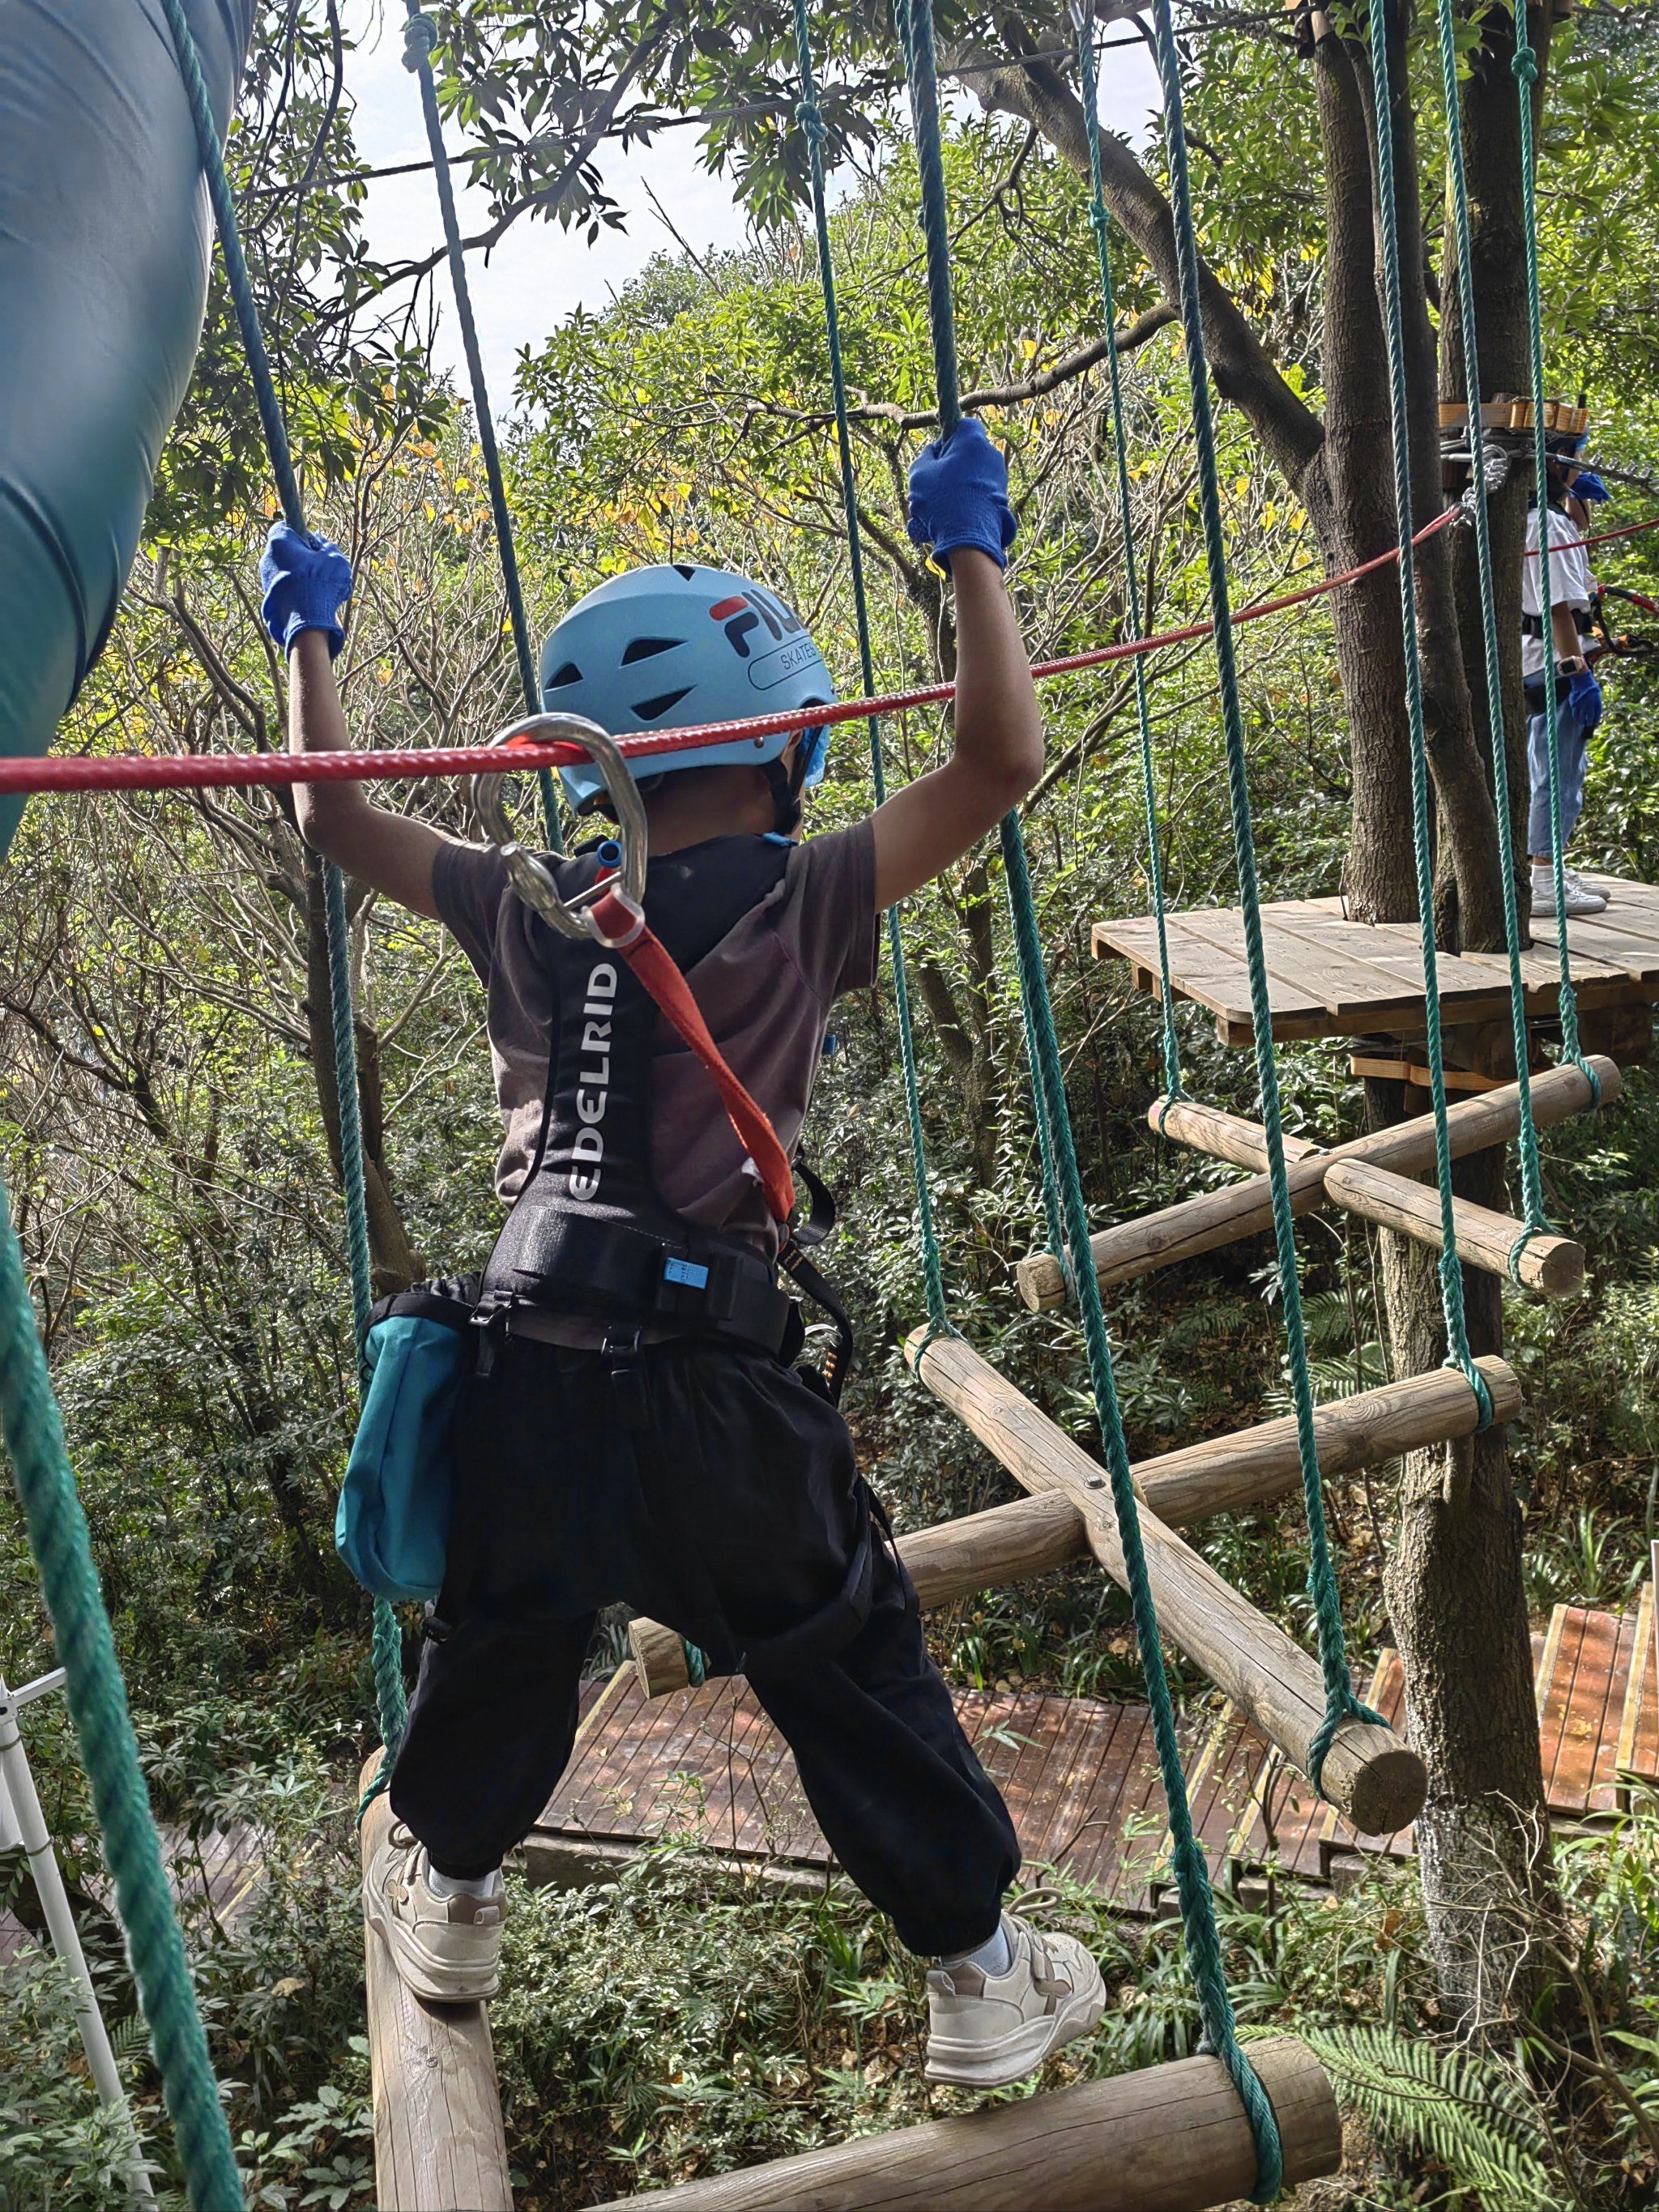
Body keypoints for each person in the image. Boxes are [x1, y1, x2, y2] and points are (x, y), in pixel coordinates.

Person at [258, 418, 1108, 2090]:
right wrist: (969, 554)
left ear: (594, 768)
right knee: (842, 1657)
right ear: (784, 736)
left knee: (506, 1629)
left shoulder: (523, 901)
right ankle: (980, 1980)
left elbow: (337, 822)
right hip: (713, 1381)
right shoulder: (808, 893)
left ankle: (454, 1890)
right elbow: (999, 759)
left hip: (523, 1355)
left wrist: (310, 640)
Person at [1522, 444, 1607, 918]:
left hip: (1538, 660)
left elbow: (1577, 539)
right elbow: (1557, 608)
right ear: (1553, 466)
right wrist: (1579, 674)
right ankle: (1544, 876)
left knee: (1547, 769)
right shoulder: (1548, 526)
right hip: (1553, 661)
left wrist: (1577, 498)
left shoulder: (1542, 519)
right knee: (1559, 773)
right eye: (1573, 462)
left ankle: (1544, 867)